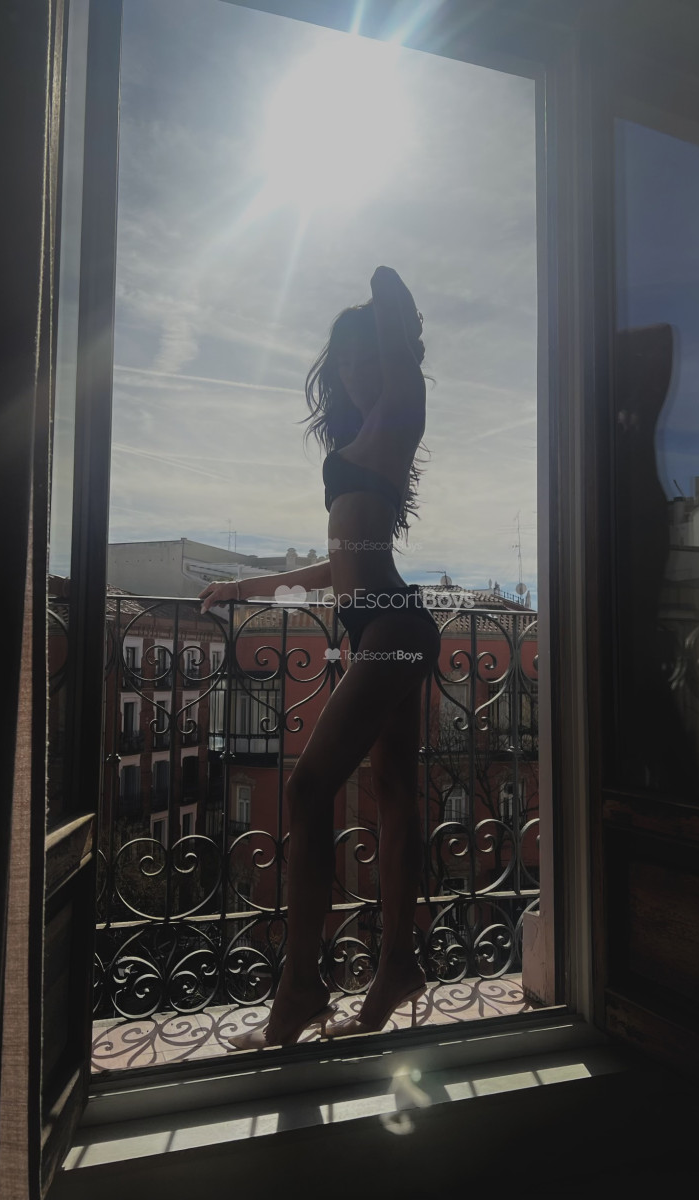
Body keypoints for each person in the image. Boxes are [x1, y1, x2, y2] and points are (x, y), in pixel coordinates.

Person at [199, 266, 441, 1047]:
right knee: (394, 796)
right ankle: (395, 969)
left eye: (363, 356)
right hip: (379, 626)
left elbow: (393, 309)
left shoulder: (399, 416)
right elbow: (341, 564)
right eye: (342, 361)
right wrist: (249, 586)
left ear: (388, 357)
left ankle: (300, 992)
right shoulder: (361, 443)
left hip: (393, 627)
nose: (351, 371)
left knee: (306, 791)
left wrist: (384, 308)